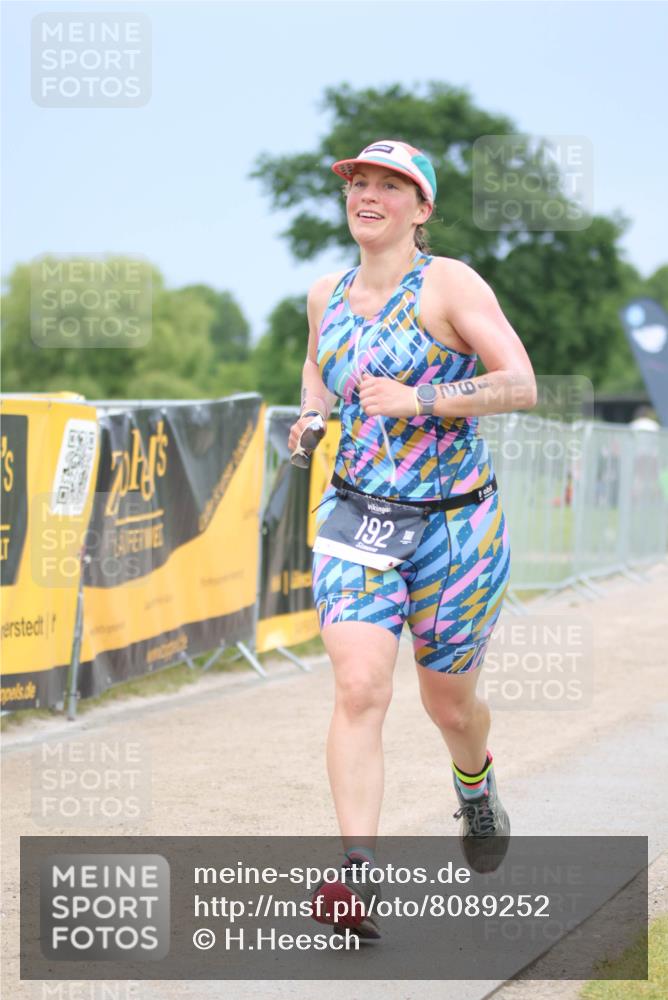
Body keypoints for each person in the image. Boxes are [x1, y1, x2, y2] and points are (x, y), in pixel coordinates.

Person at [288, 139, 537, 939]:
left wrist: (420, 400)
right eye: (359, 181)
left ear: (420, 209)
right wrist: (313, 417)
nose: (368, 194)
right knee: (361, 687)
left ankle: (474, 786)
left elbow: (520, 383)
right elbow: (319, 370)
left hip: (456, 524)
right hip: (358, 516)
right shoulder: (325, 292)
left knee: (449, 704)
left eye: (389, 185)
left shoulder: (451, 284)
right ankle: (356, 877)